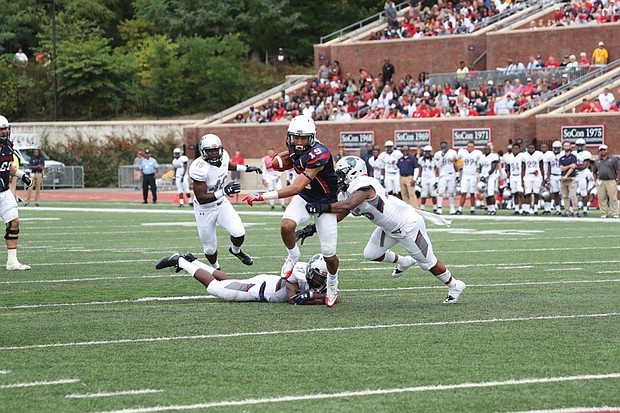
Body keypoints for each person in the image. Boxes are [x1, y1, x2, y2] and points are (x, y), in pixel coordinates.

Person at [304, 156, 466, 304]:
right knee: (371, 253)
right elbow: (341, 212)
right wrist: (314, 228)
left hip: (408, 225)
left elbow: (349, 205)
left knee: (428, 263)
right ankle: (403, 261)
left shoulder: (364, 185)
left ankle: (454, 285)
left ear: (354, 172)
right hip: (389, 228)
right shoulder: (347, 192)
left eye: (341, 174)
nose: (339, 179)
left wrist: (320, 207)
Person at [242, 115, 340, 307]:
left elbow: (295, 187)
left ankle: (333, 282)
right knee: (287, 226)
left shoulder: (319, 153)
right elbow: (287, 158)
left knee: (329, 254)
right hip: (306, 197)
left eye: (304, 138)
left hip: (325, 202)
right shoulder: (293, 146)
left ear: (312, 138)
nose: (299, 142)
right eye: (296, 138)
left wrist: (262, 196)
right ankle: (293, 255)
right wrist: (279, 160)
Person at [189, 133, 262, 270]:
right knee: (210, 249)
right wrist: (224, 191)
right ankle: (216, 268)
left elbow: (226, 165)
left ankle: (235, 251)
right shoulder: (198, 167)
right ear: (203, 151)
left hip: (221, 203)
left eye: (216, 150)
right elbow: (202, 198)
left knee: (239, 232)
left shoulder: (224, 156)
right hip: (204, 210)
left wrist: (245, 168)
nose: (214, 154)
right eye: (210, 151)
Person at [155, 251, 327, 305]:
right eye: (318, 277)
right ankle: (180, 260)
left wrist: (314, 296)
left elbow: (330, 297)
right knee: (215, 288)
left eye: (322, 278)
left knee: (227, 282)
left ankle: (194, 262)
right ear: (311, 271)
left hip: (264, 284)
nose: (319, 281)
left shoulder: (325, 279)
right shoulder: (298, 271)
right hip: (258, 289)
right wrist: (313, 297)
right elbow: (293, 299)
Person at [0, 115, 33, 270]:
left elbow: (7, 166)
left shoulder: (8, 145)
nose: (4, 132)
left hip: (4, 191)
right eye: (1, 129)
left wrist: (21, 175)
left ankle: (12, 262)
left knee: (14, 222)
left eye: (5, 128)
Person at [592, 144, 620, 219]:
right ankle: (604, 213)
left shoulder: (613, 159)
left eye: (604, 150)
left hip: (611, 180)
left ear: (607, 150)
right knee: (601, 198)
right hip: (601, 180)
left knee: (613, 197)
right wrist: (596, 180)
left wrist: (618, 179)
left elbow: (618, 170)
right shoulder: (597, 161)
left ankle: (615, 212)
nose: (602, 151)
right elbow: (594, 171)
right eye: (601, 150)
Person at [456, 140, 482, 215]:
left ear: (474, 147)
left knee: (472, 193)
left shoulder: (477, 153)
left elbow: (482, 161)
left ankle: (472, 209)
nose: (470, 148)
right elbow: (454, 160)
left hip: (473, 175)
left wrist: (479, 171)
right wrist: (459, 169)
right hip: (465, 174)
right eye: (468, 146)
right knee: (463, 192)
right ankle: (460, 209)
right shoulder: (462, 152)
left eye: (471, 147)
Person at [434, 141, 458, 215]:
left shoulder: (453, 152)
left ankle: (452, 208)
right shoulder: (438, 154)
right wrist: (442, 157)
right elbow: (438, 166)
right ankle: (439, 208)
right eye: (442, 147)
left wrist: (457, 174)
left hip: (451, 174)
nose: (444, 148)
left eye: (445, 147)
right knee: (441, 192)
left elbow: (455, 163)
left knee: (451, 192)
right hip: (443, 174)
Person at [522, 143, 544, 215]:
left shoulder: (539, 155)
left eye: (532, 148)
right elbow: (523, 168)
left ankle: (535, 209)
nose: (531, 149)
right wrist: (522, 179)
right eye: (529, 148)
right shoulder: (524, 155)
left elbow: (541, 167)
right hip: (528, 175)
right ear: (527, 148)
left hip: (536, 176)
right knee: (528, 193)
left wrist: (543, 178)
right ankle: (527, 209)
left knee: (536, 193)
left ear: (535, 148)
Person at [504, 142, 526, 215]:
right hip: (512, 176)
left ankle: (523, 209)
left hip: (519, 175)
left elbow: (523, 168)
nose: (515, 150)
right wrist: (508, 179)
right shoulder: (509, 157)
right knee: (514, 193)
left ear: (519, 149)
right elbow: (508, 168)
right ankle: (516, 209)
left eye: (517, 148)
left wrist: (523, 178)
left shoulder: (522, 156)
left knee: (520, 193)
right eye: (514, 148)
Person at [543, 141, 563, 215]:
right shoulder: (550, 155)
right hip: (553, 175)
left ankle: (568, 209)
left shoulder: (562, 155)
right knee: (555, 193)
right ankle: (558, 209)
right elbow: (549, 167)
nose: (556, 149)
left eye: (558, 148)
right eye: (555, 148)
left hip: (560, 175)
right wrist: (547, 177)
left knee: (563, 193)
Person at [478, 144, 499, 215]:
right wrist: (481, 175)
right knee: (486, 194)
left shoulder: (493, 156)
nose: (486, 150)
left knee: (490, 193)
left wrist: (486, 175)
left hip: (491, 177)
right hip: (484, 177)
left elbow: (493, 168)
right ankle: (489, 209)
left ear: (490, 150)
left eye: (487, 149)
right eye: (485, 149)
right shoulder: (482, 157)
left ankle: (493, 209)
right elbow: (480, 167)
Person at [559, 141, 578, 217]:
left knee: (573, 196)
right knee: (564, 196)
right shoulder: (561, 158)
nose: (566, 147)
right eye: (565, 146)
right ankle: (567, 211)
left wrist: (566, 175)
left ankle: (576, 211)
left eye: (568, 146)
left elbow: (573, 168)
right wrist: (569, 166)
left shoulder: (573, 157)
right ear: (563, 147)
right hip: (563, 179)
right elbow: (562, 168)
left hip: (571, 178)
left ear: (570, 147)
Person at [573, 138, 592, 216]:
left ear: (584, 146)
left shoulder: (586, 153)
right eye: (578, 145)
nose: (579, 147)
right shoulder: (573, 153)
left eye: (581, 145)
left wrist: (574, 166)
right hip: (574, 175)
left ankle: (585, 210)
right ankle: (572, 209)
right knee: (572, 194)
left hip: (582, 176)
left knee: (584, 193)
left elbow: (583, 166)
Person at [418, 145, 437, 212]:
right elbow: (420, 170)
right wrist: (419, 179)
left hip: (432, 177)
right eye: (426, 152)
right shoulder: (421, 160)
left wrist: (436, 180)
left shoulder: (434, 160)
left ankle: (435, 207)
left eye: (429, 152)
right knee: (423, 194)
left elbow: (436, 170)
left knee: (433, 193)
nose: (427, 153)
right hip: (424, 178)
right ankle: (422, 207)